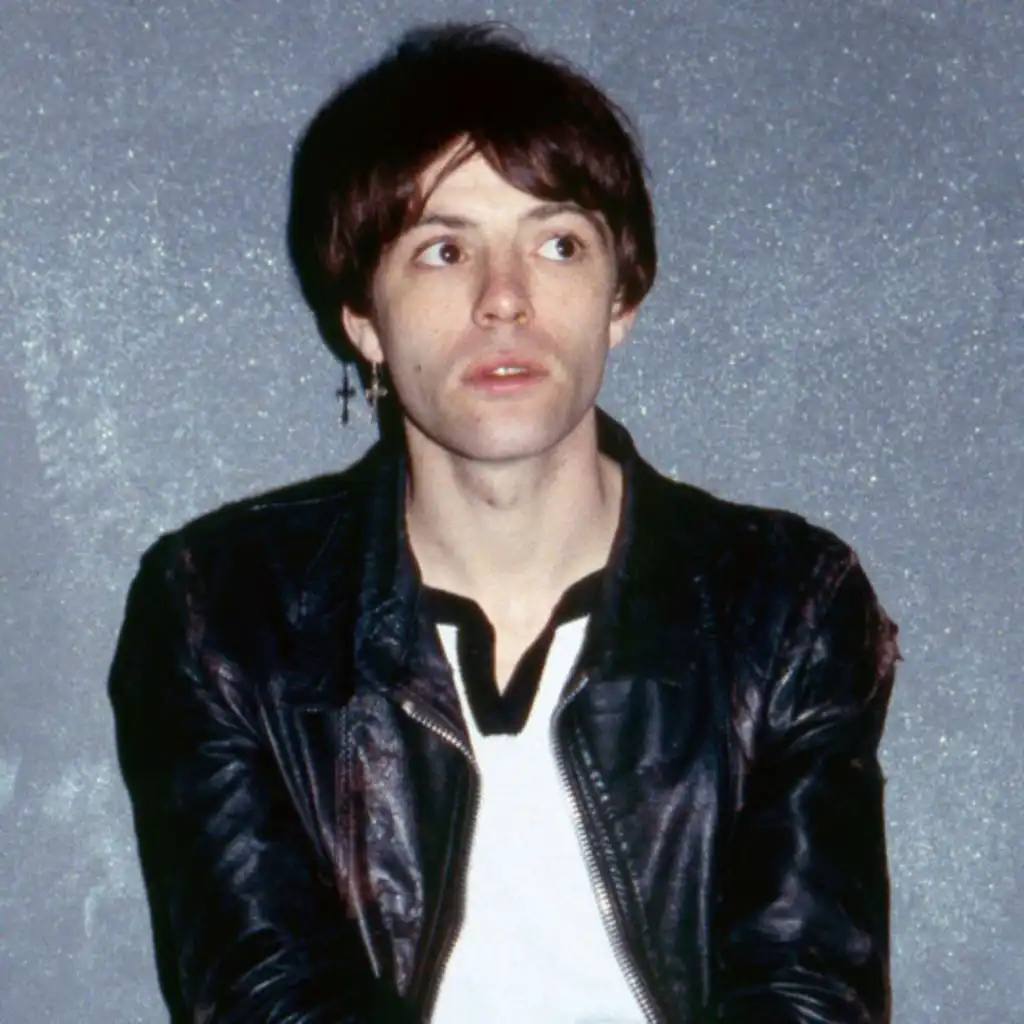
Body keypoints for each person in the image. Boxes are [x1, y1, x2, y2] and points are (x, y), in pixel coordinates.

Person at [110, 22, 901, 1024]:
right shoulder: (225, 613)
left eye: (557, 243)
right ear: (364, 317)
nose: (504, 300)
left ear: (620, 297)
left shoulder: (784, 604)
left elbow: (808, 995)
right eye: (444, 250)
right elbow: (266, 999)